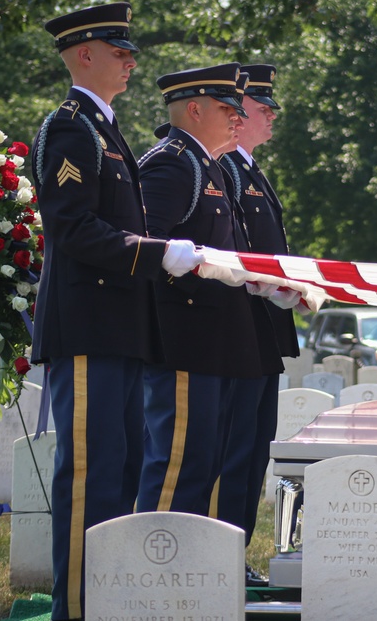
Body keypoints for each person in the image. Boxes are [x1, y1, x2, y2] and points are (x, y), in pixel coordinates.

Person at [31, 2, 202, 621]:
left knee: (122, 472)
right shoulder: (71, 127)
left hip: (122, 330)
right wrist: (158, 254)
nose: (131, 61)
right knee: (91, 477)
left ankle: (107, 603)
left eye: (129, 51)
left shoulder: (105, 130)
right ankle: (75, 610)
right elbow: (73, 227)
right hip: (88, 329)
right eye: (118, 51)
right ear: (83, 54)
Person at [136, 62, 266, 517]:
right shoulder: (173, 162)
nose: (238, 118)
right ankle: (151, 572)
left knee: (203, 463)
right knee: (179, 465)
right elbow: (147, 250)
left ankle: (183, 572)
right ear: (193, 109)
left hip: (214, 341)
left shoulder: (206, 165)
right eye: (226, 108)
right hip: (185, 340)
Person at [212, 64, 302, 587]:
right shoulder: (224, 169)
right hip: (236, 331)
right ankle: (221, 552)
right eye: (261, 107)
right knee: (233, 450)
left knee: (251, 450)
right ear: (237, 114)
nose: (270, 116)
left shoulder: (248, 170)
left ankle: (234, 551)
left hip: (261, 329)